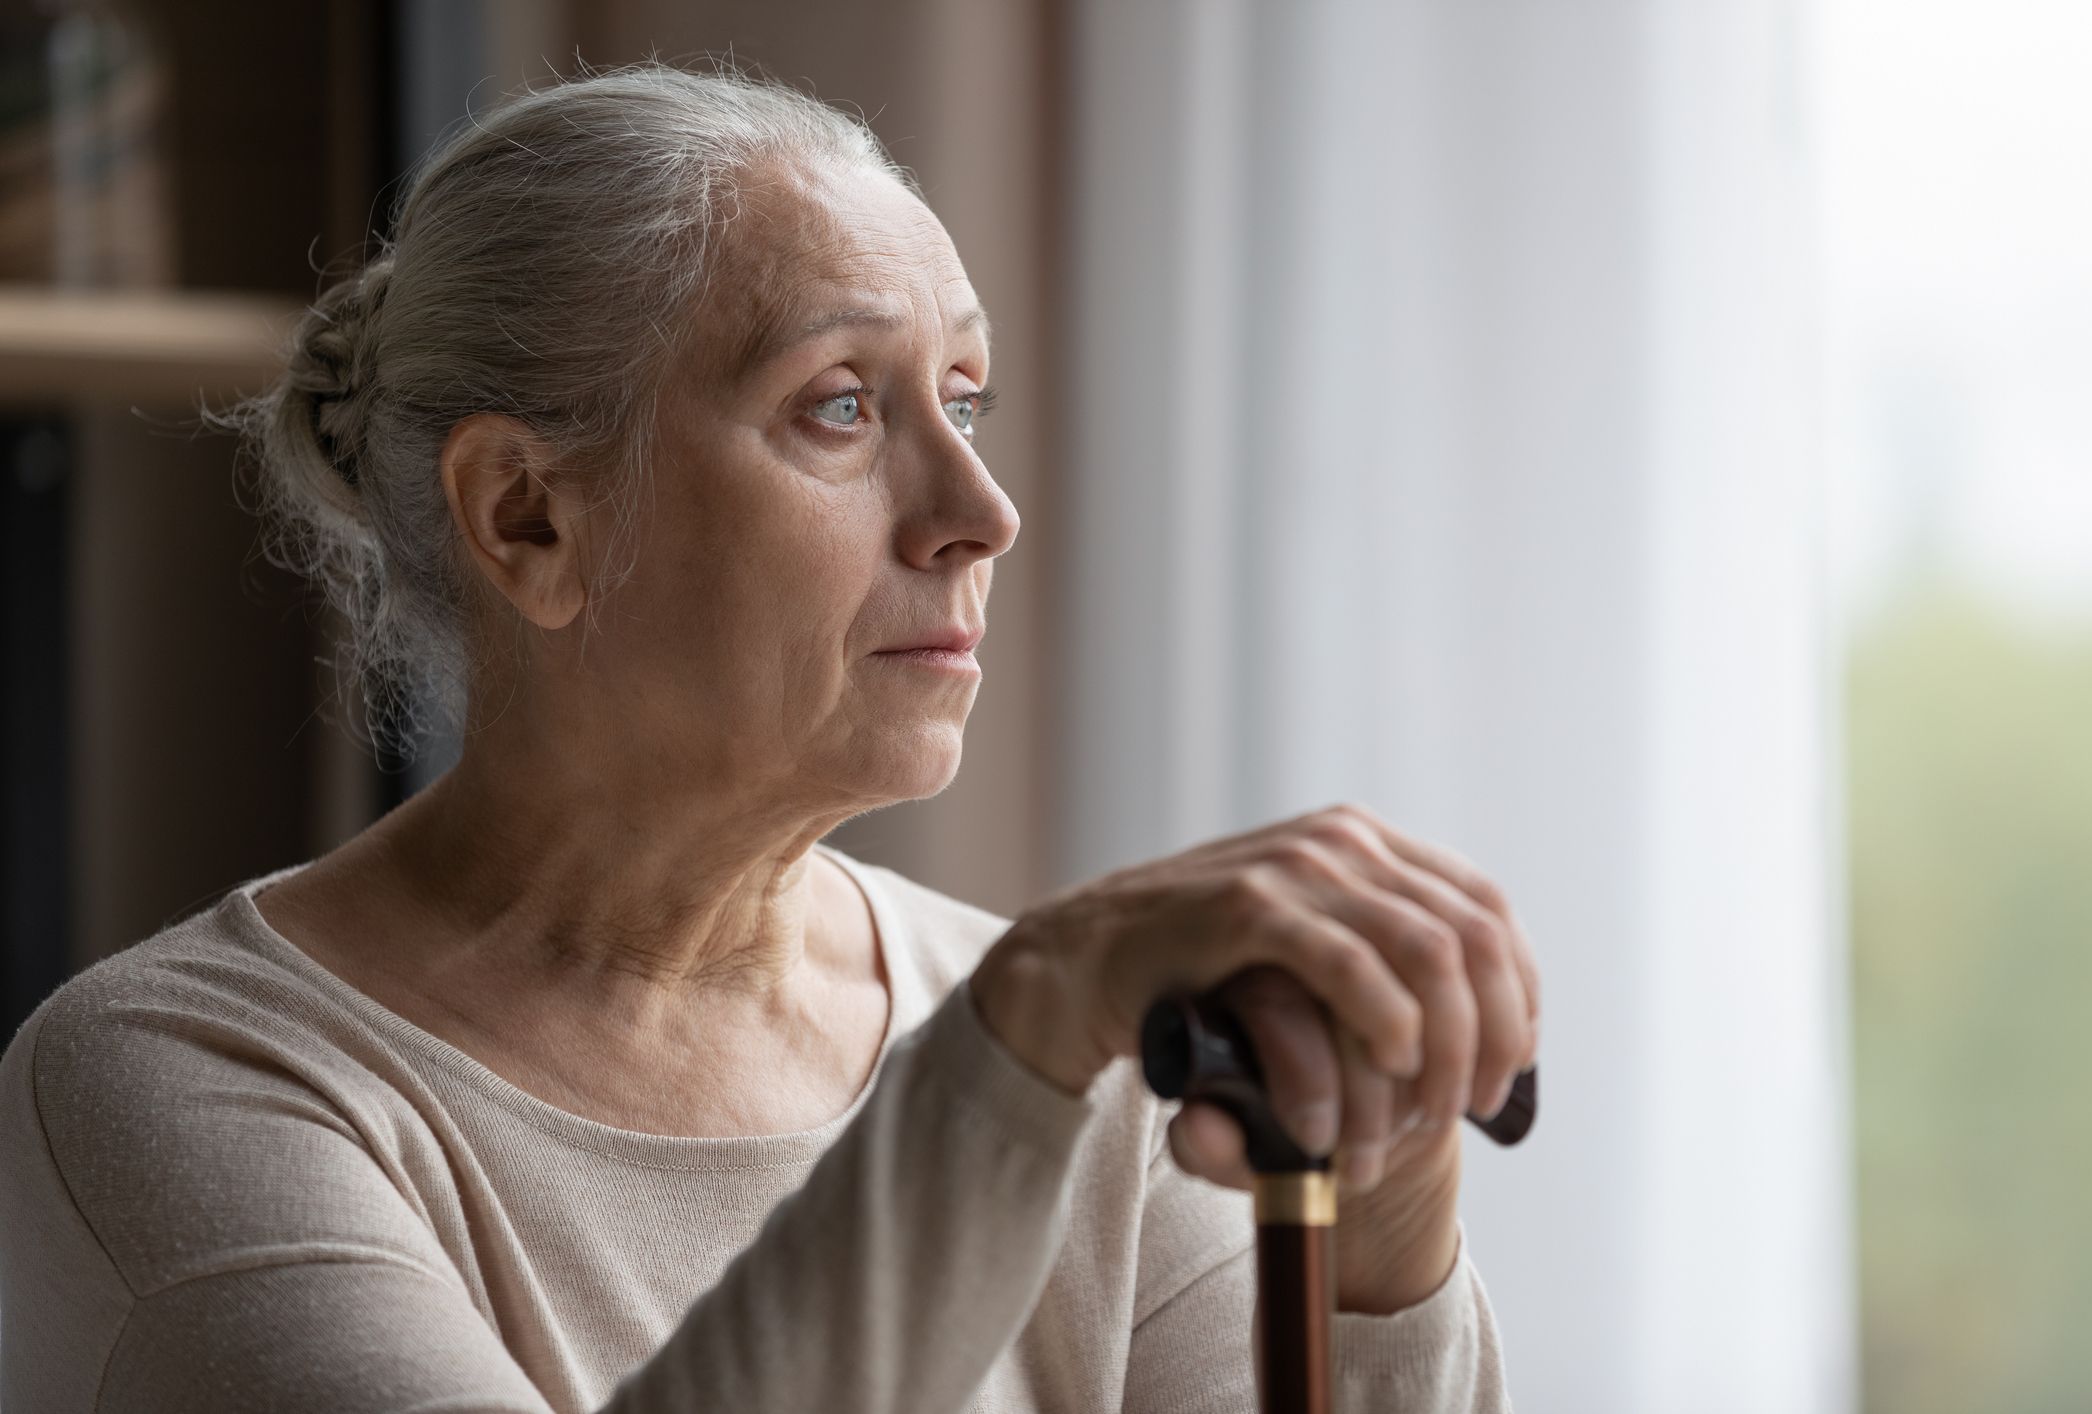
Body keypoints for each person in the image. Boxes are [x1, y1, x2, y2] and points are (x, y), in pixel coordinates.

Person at [0, 61, 1538, 1412]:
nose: (978, 514)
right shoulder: (179, 1084)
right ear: (528, 516)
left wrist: (1382, 1253)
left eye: (963, 395)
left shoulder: (1085, 1064)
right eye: (841, 408)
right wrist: (1012, 1050)